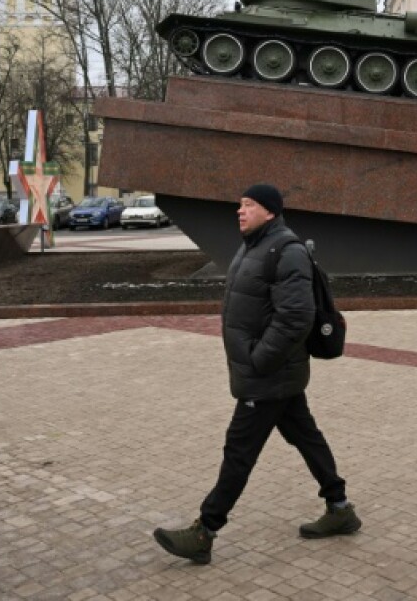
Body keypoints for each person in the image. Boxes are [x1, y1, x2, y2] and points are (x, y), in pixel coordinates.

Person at [153, 183, 360, 564]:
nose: (240, 210)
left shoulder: (287, 250)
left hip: (269, 375)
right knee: (307, 437)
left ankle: (205, 531)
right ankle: (340, 508)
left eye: (249, 205)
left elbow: (297, 315)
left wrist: (259, 359)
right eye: (240, 204)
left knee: (239, 451)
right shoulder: (254, 245)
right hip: (275, 374)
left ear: (270, 211)